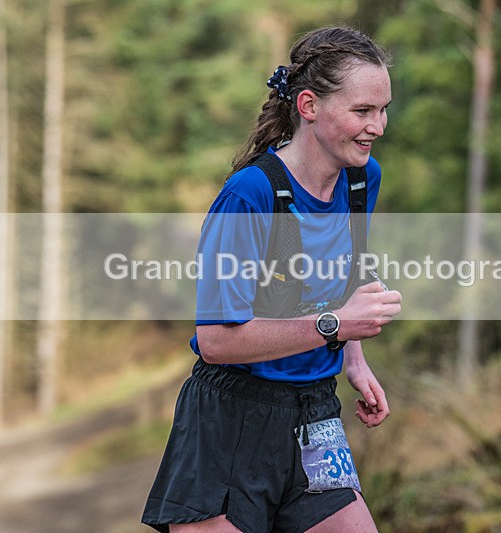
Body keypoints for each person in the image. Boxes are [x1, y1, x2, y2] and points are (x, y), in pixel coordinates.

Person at [142, 26, 402, 533]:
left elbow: (347, 271)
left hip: (316, 413)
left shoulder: (360, 179)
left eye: (383, 109)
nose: (379, 126)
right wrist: (335, 326)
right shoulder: (249, 196)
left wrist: (354, 358)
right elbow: (216, 341)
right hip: (230, 422)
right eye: (362, 111)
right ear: (308, 105)